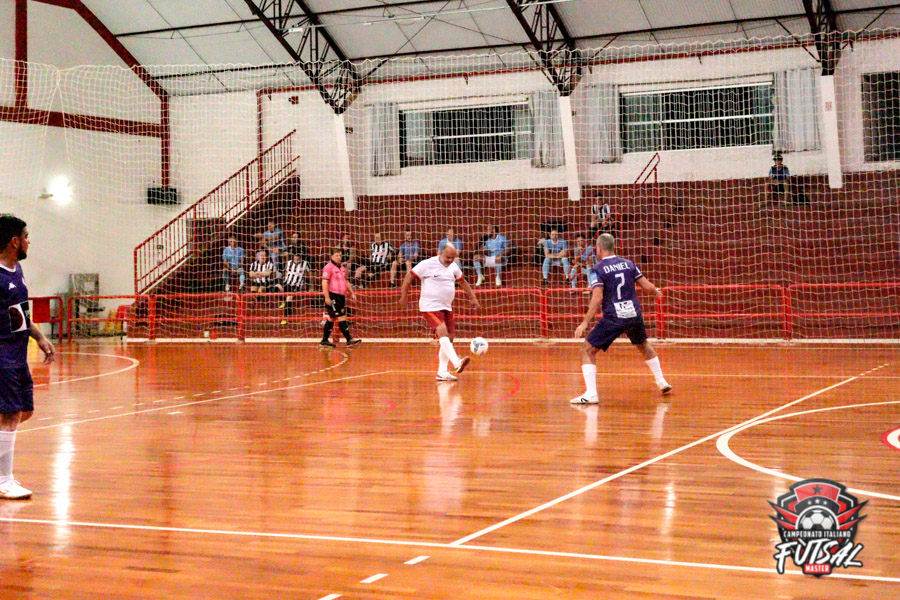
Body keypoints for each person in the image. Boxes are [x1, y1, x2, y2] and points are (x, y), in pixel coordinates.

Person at [571, 233, 671, 404]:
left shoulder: (598, 269)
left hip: (614, 317)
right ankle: (661, 381)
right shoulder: (629, 264)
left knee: (587, 349)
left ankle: (591, 394)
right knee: (643, 344)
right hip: (633, 314)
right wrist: (655, 291)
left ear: (599, 249)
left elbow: (597, 297)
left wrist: (585, 322)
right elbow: (646, 285)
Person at [0, 214, 55, 499]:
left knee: (24, 411)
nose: (28, 242)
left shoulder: (16, 270)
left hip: (18, 353)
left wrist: (39, 337)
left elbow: (20, 314)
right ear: (14, 242)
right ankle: (3, 480)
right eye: (26, 237)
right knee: (10, 415)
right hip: (3, 356)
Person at [398, 243, 480, 381]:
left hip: (446, 306)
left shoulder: (453, 266)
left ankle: (442, 372)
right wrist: (404, 295)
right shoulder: (427, 264)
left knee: (450, 337)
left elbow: (463, 281)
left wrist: (473, 297)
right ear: (440, 253)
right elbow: (409, 277)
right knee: (442, 331)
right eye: (448, 257)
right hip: (429, 306)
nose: (450, 260)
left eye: (452, 258)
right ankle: (457, 362)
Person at [322, 248, 361, 348]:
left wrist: (352, 293)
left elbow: (346, 281)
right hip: (333, 295)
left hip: (341, 296)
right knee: (341, 317)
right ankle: (349, 339)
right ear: (331, 256)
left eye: (340, 256)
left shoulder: (342, 267)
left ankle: (324, 340)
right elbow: (324, 282)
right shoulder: (328, 267)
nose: (339, 258)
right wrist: (327, 297)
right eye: (337, 256)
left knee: (331, 318)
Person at [280, 252, 310, 324]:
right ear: (293, 256)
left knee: (289, 297)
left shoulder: (305, 263)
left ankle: (285, 318)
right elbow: (286, 273)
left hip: (296, 285)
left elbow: (309, 275)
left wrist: (309, 286)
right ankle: (283, 300)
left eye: (298, 256)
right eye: (296, 255)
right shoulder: (289, 263)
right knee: (277, 287)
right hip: (287, 282)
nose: (297, 257)